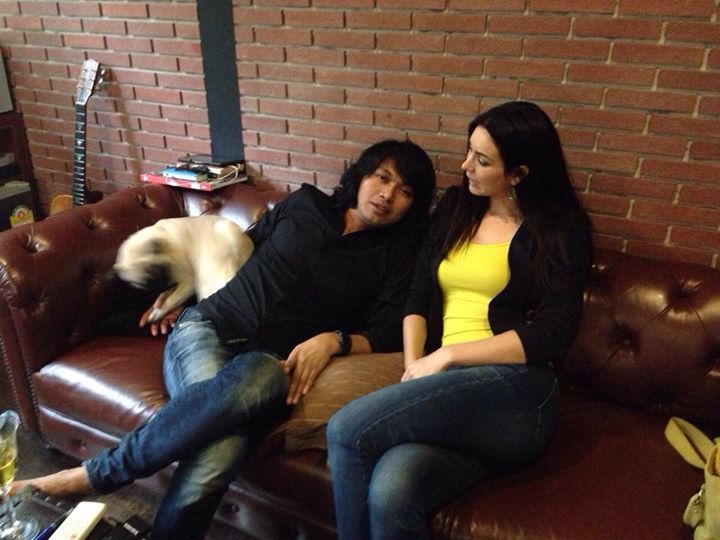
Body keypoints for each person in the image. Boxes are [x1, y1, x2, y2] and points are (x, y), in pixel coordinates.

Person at [13, 139, 436, 539]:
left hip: (269, 364)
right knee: (222, 449)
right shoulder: (305, 203)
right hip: (209, 328)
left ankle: (91, 475)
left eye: (405, 191)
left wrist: (332, 341)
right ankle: (95, 477)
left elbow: (387, 330)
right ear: (361, 175)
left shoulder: (395, 258)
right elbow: (239, 248)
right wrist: (185, 291)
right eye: (382, 177)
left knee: (256, 386)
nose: (387, 194)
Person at [326, 101, 594, 540]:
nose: (466, 165)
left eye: (482, 160)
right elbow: (419, 294)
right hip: (446, 390)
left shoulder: (561, 229)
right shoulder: (456, 207)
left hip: (517, 390)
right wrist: (414, 365)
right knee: (392, 490)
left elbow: (554, 332)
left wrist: (449, 355)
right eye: (469, 151)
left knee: (347, 429)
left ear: (518, 174)